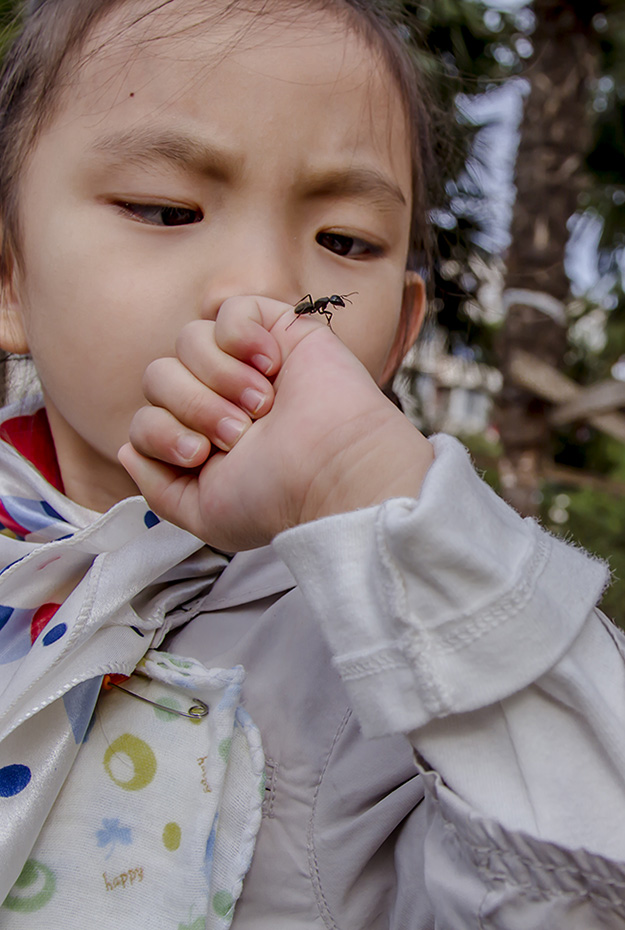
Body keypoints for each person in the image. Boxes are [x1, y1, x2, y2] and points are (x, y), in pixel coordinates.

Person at [0, 0, 624, 926]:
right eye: (167, 208)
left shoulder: (398, 661)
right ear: (9, 277)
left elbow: (585, 883)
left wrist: (365, 484)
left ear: (393, 341)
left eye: (344, 244)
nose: (263, 289)